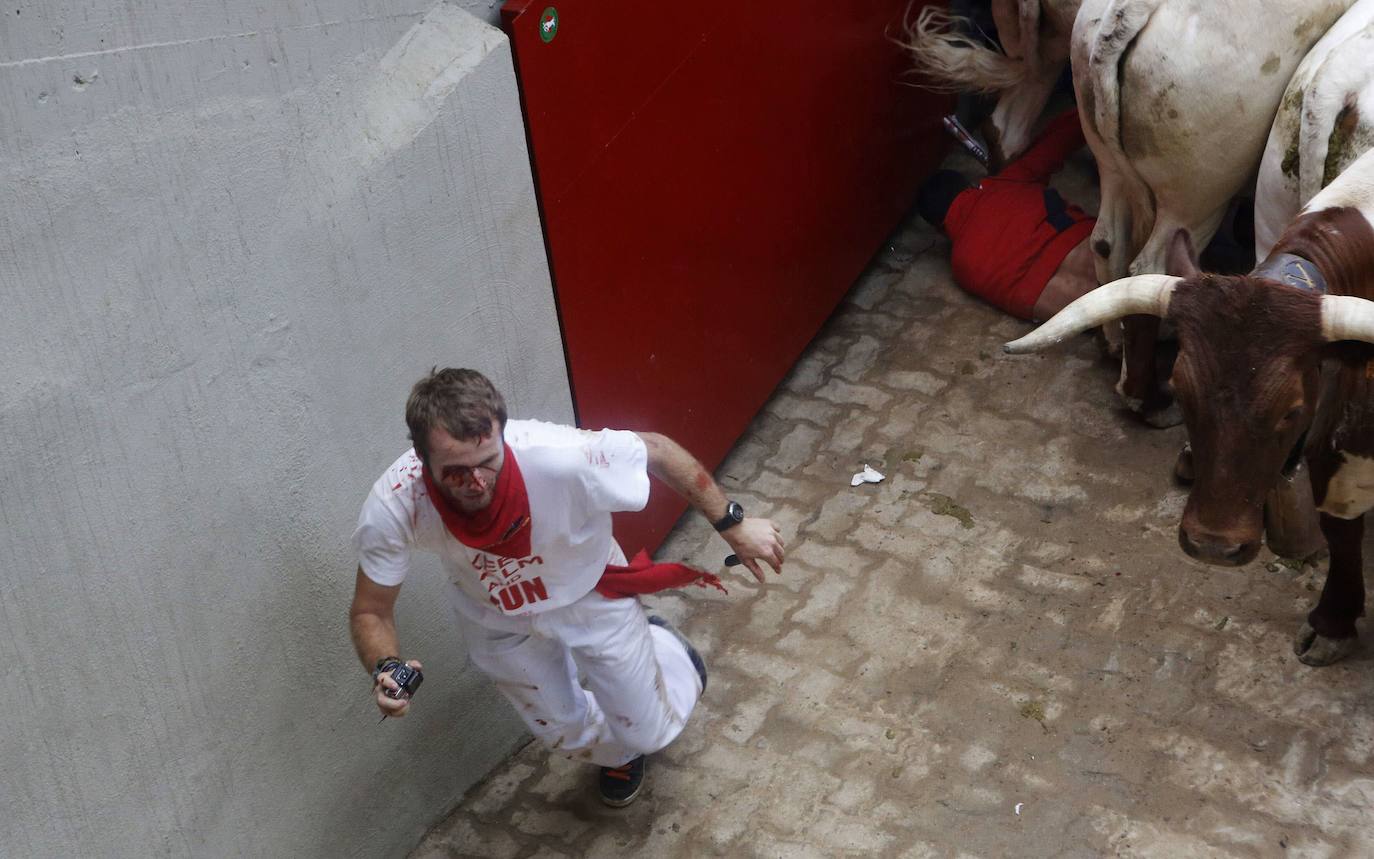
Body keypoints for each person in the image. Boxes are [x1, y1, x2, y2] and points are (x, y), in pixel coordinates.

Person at [348, 368, 785, 807]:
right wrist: (384, 666)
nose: (478, 482)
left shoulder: (554, 454)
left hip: (588, 588)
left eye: (488, 462)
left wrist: (733, 522)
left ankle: (670, 652)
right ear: (423, 460)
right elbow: (371, 610)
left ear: (502, 435)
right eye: (457, 472)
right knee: (562, 732)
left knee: (652, 730)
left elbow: (657, 450)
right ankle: (623, 754)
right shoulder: (396, 503)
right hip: (496, 613)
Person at [917, 108, 1098, 322]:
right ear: (969, 186)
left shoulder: (960, 267)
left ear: (940, 228)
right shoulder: (1006, 182)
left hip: (1071, 303)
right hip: (1084, 248)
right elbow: (1062, 137)